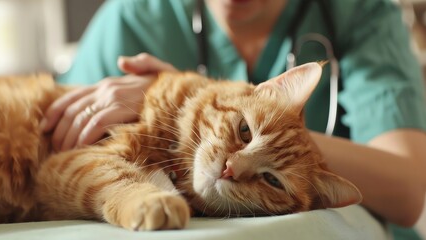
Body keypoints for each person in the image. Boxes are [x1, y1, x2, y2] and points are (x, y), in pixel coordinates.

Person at [40, 0, 426, 239]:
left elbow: (408, 191)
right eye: (244, 130)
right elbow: (52, 140)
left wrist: (187, 91)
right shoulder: (136, 14)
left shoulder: (359, 11)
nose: (231, 166)